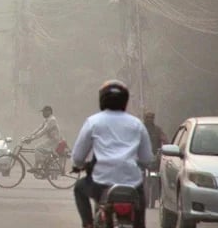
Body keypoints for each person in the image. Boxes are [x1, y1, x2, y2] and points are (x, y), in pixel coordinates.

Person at [72, 79, 154, 228]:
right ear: (125, 100)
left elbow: (78, 157)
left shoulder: (93, 122)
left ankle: (88, 224)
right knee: (140, 205)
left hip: (101, 183)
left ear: (102, 99)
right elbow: (147, 159)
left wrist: (79, 165)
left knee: (79, 187)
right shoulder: (137, 124)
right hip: (133, 184)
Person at [23, 105, 62, 173]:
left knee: (37, 148)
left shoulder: (52, 120)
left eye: (44, 112)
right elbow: (39, 128)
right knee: (39, 149)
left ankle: (41, 166)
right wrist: (30, 136)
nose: (43, 114)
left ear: (49, 112)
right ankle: (39, 166)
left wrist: (32, 139)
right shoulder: (46, 120)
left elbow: (43, 131)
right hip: (50, 140)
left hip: (54, 140)